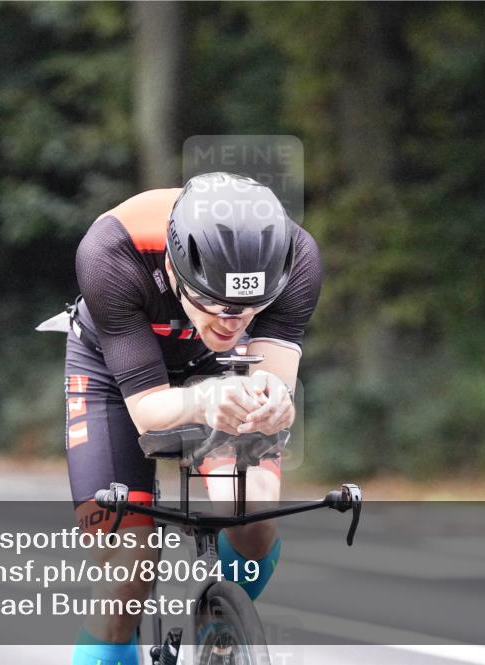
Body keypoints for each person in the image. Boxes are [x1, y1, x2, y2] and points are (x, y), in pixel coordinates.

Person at [63, 172, 322, 665]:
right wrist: (205, 401)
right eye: (219, 305)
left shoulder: (297, 257)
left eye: (251, 309)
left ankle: (221, 633)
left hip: (222, 370)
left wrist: (275, 401)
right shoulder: (111, 252)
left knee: (252, 517)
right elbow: (149, 413)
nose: (232, 321)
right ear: (175, 271)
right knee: (126, 570)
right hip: (115, 376)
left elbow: (272, 378)